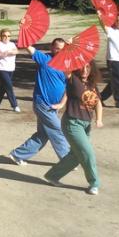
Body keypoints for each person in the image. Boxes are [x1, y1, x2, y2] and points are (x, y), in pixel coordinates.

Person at [43, 61, 104, 195]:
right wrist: (69, 49)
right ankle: (94, 183)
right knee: (88, 154)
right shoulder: (73, 80)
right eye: (82, 67)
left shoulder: (92, 85)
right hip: (72, 123)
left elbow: (98, 103)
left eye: (88, 67)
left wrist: (99, 119)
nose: (84, 70)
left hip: (86, 125)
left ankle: (52, 175)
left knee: (76, 156)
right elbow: (67, 69)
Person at [7, 38, 70, 166]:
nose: (59, 51)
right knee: (57, 130)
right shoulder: (45, 59)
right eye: (57, 48)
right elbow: (28, 47)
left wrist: (62, 103)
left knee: (43, 134)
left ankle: (17, 155)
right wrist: (23, 29)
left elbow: (69, 87)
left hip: (54, 106)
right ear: (52, 47)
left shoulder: (67, 65)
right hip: (42, 104)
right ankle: (67, 160)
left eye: (62, 49)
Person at [0, 29, 20, 112]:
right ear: (1, 36)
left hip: (10, 68)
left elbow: (17, 51)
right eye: (4, 36)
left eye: (8, 36)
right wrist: (4, 53)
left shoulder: (12, 44)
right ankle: (15, 105)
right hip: (0, 68)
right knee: (9, 86)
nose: (6, 37)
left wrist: (9, 52)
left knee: (3, 87)